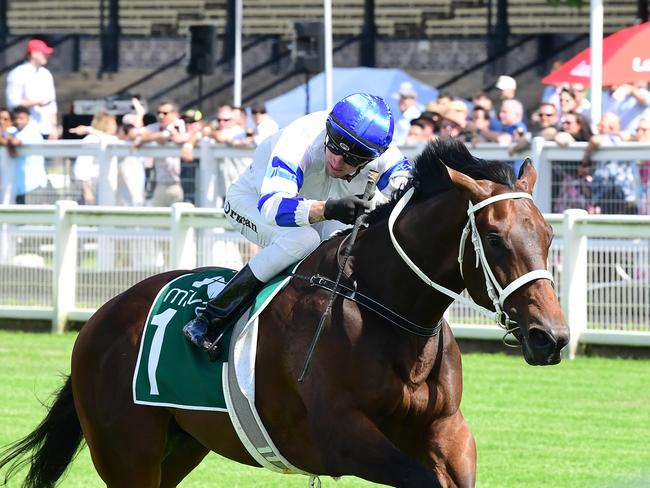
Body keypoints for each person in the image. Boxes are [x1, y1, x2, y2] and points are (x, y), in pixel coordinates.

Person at [183, 93, 412, 354]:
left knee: (348, 244)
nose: (337, 162)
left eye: (352, 158)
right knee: (302, 240)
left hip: (312, 206)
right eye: (334, 146)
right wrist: (328, 208)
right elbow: (272, 208)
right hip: (252, 202)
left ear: (374, 155)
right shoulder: (299, 140)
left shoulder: (383, 153)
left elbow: (414, 194)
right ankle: (211, 318)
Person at [134, 100, 187, 206]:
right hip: (160, 184)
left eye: (165, 113)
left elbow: (166, 137)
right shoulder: (157, 127)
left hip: (182, 183)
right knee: (157, 219)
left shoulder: (180, 124)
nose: (161, 116)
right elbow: (134, 133)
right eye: (158, 113)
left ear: (175, 115)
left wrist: (148, 138)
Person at [5, 39, 58, 140]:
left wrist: (54, 127)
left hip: (46, 129)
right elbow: (13, 102)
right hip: (25, 131)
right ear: (33, 54)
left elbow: (52, 104)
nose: (46, 55)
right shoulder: (18, 73)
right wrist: (36, 103)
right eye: (43, 53)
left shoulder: (46, 74)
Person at [70, 111, 119, 205]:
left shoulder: (110, 139)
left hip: (106, 187)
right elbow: (81, 167)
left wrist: (88, 129)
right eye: (113, 123)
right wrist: (87, 191)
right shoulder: (91, 140)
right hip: (93, 188)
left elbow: (109, 140)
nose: (116, 126)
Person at [4, 106, 47, 204]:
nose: (18, 121)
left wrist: (8, 140)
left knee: (34, 218)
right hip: (21, 185)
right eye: (16, 118)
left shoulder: (32, 131)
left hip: (34, 185)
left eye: (21, 118)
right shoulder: (16, 132)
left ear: (29, 118)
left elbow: (15, 142)